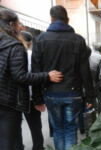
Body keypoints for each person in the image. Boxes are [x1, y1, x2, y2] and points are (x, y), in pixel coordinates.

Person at [31, 5, 95, 150]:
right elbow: (85, 71)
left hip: (51, 93)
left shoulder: (40, 39)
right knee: (71, 129)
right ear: (67, 19)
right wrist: (90, 96)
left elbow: (36, 70)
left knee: (58, 129)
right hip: (73, 93)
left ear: (51, 19)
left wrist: (37, 98)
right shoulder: (78, 40)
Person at [0, 9, 63, 150]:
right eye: (18, 23)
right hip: (9, 102)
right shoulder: (14, 45)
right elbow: (20, 76)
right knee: (9, 142)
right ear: (11, 24)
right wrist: (47, 76)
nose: (20, 26)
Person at [15, 31, 45, 150]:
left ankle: (19, 146)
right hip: (31, 96)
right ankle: (38, 147)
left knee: (15, 126)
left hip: (15, 97)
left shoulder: (11, 53)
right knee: (35, 126)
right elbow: (37, 76)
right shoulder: (32, 55)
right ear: (31, 42)